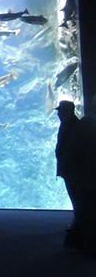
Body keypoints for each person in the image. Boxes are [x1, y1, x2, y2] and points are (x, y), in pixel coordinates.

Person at [62, 98, 96, 256]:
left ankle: (80, 241)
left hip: (85, 175)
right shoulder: (86, 123)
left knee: (85, 210)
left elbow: (71, 150)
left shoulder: (85, 123)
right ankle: (86, 244)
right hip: (87, 175)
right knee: (87, 210)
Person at [54, 101, 81, 248]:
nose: (58, 114)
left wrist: (65, 168)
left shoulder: (72, 125)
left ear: (66, 111)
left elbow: (70, 150)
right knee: (75, 199)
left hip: (72, 171)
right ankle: (78, 227)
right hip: (69, 170)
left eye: (60, 111)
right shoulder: (69, 124)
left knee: (77, 199)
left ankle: (79, 231)